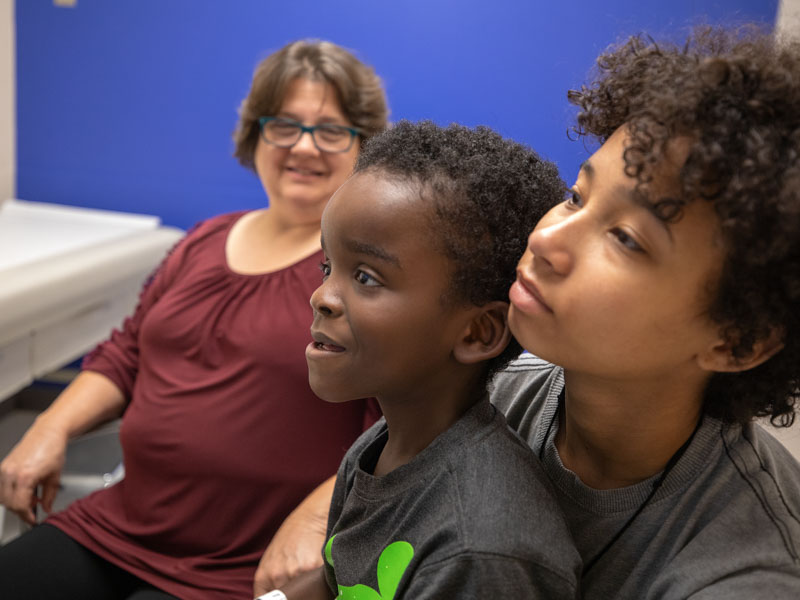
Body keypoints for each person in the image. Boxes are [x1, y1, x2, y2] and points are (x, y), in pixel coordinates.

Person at [257, 25, 800, 599]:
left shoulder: (746, 576)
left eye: (626, 239)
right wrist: (319, 515)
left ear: (736, 340)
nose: (548, 240)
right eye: (576, 196)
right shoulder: (502, 384)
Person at [0, 39, 388, 600]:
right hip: (118, 525)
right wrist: (49, 428)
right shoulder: (203, 241)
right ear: (255, 135)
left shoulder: (364, 271)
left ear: (363, 147)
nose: (304, 147)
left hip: (244, 562)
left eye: (330, 129)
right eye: (284, 125)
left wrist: (313, 520)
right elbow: (127, 352)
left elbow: (399, 425)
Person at [270, 120, 580, 600]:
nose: (321, 297)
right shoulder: (378, 449)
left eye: (367, 277)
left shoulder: (482, 549)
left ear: (477, 332)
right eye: (327, 267)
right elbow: (337, 581)